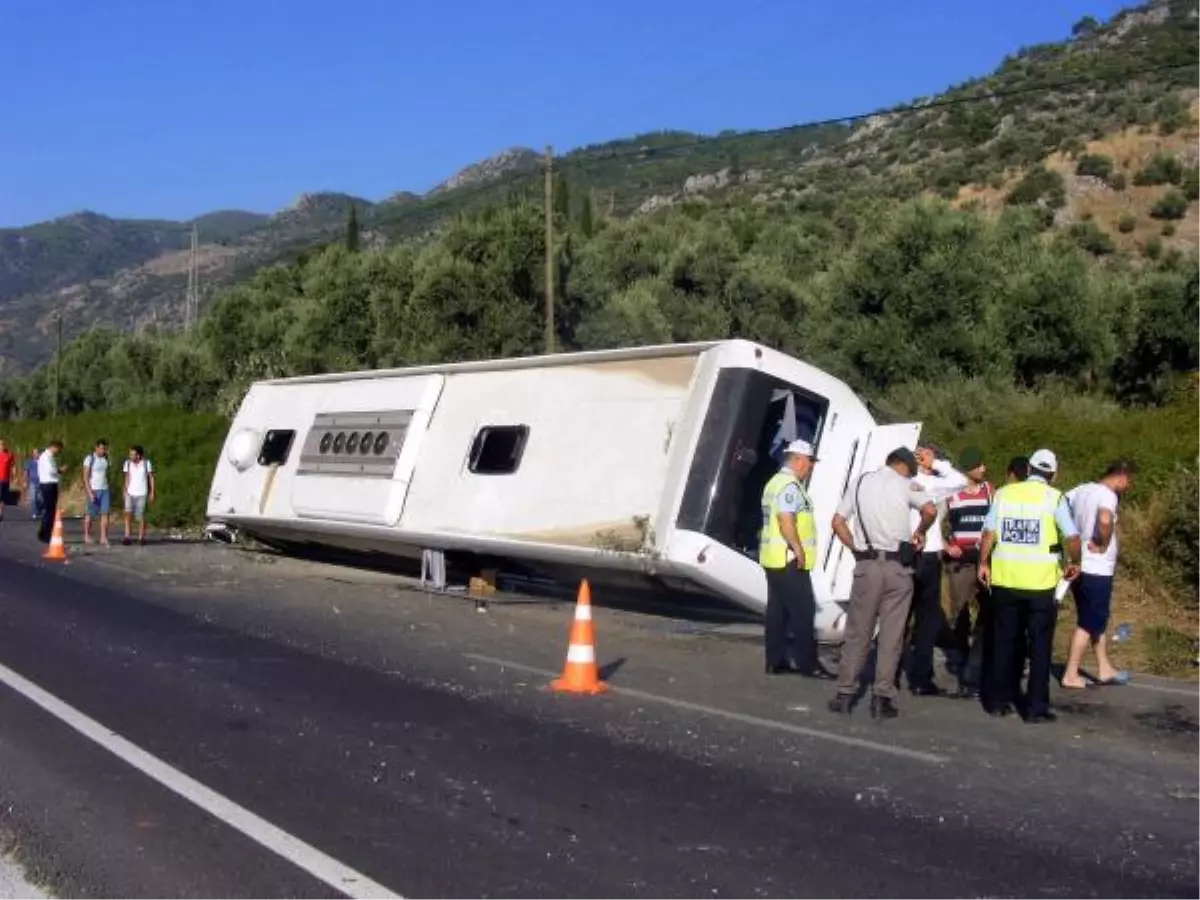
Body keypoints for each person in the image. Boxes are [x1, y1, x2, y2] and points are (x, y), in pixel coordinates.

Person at [828, 447, 936, 719]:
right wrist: (919, 532)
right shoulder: (906, 484)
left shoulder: (860, 482)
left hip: (867, 565)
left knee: (857, 632)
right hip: (898, 567)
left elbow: (838, 522)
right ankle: (881, 698)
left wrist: (856, 549)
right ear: (905, 467)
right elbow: (930, 510)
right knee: (891, 636)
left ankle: (845, 694)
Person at [978, 448, 1081, 723]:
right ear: (1053, 474)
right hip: (1041, 585)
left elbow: (988, 532)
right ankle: (1035, 708)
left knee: (1003, 642)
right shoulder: (1054, 498)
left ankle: (998, 702)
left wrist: (983, 563)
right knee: (1039, 647)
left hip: (1006, 581)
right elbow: (1071, 536)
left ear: (1030, 469)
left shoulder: (1003, 493)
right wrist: (1076, 561)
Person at [1060, 460, 1137, 689]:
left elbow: (1061, 503)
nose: (1128, 486)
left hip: (1081, 564)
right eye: (1128, 481)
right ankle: (1070, 674)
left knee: (1096, 619)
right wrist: (1102, 541)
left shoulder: (1081, 490)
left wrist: (1072, 531)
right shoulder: (1107, 495)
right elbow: (1104, 519)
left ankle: (1104, 668)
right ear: (1121, 476)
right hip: (1097, 567)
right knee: (1088, 622)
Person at [904, 442, 967, 695]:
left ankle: (889, 672)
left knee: (900, 615)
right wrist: (936, 463)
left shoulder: (903, 481)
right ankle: (920, 678)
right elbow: (961, 480)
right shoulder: (932, 485)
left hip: (905, 552)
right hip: (927, 555)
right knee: (926, 619)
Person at [759, 439, 823, 677]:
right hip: (787, 559)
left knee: (778, 610)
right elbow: (785, 519)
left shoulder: (773, 482)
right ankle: (809, 665)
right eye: (810, 461)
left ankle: (775, 661)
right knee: (804, 611)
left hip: (772, 557)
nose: (811, 466)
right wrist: (798, 549)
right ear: (797, 459)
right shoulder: (789, 486)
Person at [941, 446, 993, 697]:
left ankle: (979, 658)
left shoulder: (990, 492)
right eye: (979, 465)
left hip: (983, 559)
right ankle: (960, 659)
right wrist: (946, 546)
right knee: (959, 611)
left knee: (987, 609)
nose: (984, 469)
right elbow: (932, 521)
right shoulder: (951, 494)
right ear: (969, 468)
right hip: (960, 561)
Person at [122, 445, 155, 546]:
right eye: (130, 454)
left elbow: (151, 478)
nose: (130, 456)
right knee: (127, 515)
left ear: (138, 455)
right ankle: (127, 537)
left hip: (142, 493)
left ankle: (141, 538)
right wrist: (124, 490)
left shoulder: (146, 463)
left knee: (140, 516)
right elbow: (127, 477)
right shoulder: (127, 463)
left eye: (133, 454)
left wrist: (152, 492)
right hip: (130, 492)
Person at [83, 439, 112, 546]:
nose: (103, 450)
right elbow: (85, 477)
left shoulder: (107, 459)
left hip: (104, 489)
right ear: (96, 448)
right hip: (93, 489)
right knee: (89, 514)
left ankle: (103, 537)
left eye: (104, 448)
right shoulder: (89, 459)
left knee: (105, 513)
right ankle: (86, 535)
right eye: (101, 448)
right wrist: (90, 493)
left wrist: (109, 485)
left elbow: (107, 474)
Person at [36, 441, 65, 543]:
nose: (59, 452)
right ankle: (46, 535)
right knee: (50, 511)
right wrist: (59, 470)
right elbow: (50, 471)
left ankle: (44, 533)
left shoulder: (49, 456)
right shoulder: (46, 457)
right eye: (59, 449)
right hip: (48, 485)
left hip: (49, 484)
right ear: (54, 447)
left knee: (50, 510)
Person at [24, 447, 41, 520]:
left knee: (40, 499)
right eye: (34, 452)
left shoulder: (42, 461)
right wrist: (25, 481)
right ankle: (34, 513)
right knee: (33, 498)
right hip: (32, 482)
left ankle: (38, 511)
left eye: (37, 452)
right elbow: (26, 472)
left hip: (41, 482)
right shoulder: (29, 462)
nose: (36, 454)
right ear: (32, 454)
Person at [0, 439, 14, 522]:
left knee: (2, 498)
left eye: (3, 444)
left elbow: (13, 466)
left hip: (5, 480)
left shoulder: (9, 455)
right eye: (0, 444)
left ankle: (1, 513)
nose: (1, 446)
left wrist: (14, 476)